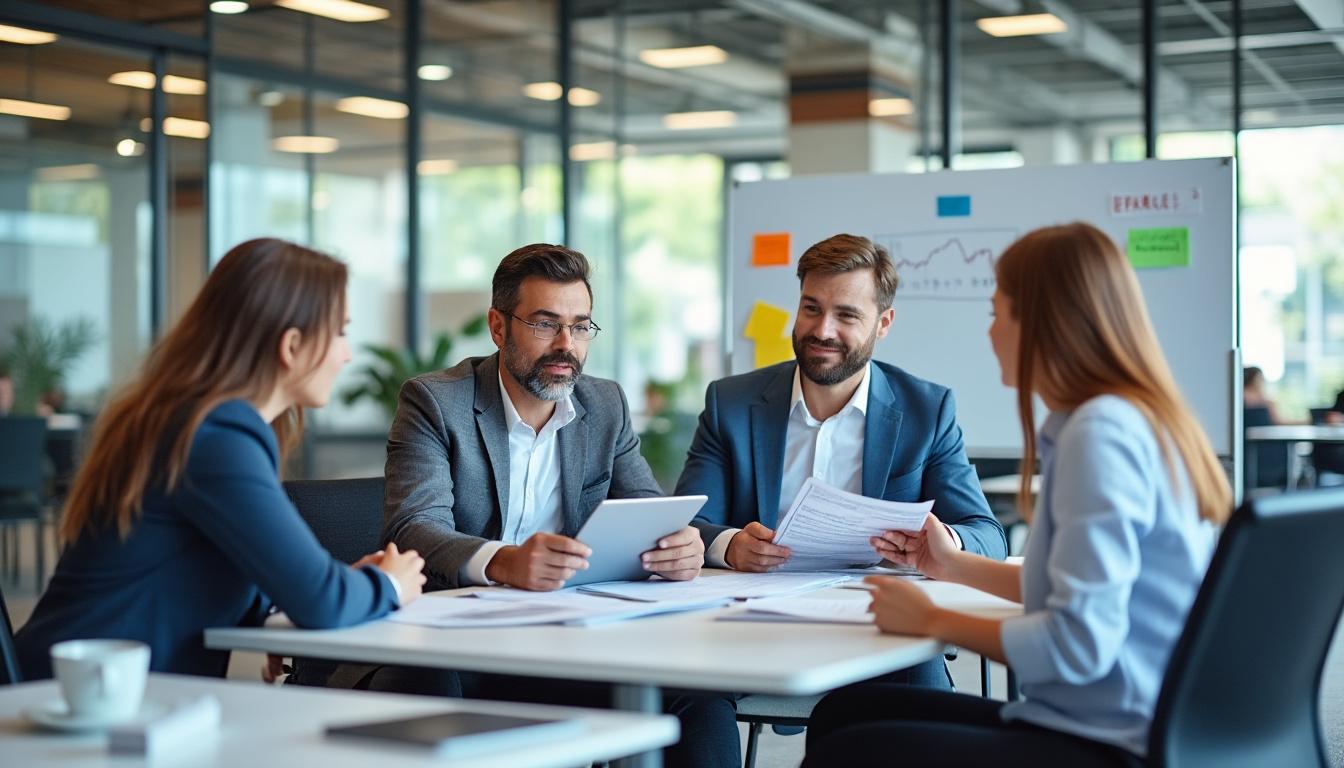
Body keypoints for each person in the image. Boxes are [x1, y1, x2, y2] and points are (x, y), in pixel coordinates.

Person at [802, 222, 1231, 766]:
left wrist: (933, 620)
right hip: (1139, 719)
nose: (991, 333)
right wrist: (953, 566)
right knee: (846, 713)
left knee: (849, 749)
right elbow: (1071, 588)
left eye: (996, 313)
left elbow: (1076, 646)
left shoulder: (1099, 435)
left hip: (1111, 741)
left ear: (1044, 324)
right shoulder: (1132, 418)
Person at [373, 243, 733, 768]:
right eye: (545, 324)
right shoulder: (436, 401)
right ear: (498, 328)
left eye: (580, 326)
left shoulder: (604, 404)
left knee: (697, 698)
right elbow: (414, 527)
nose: (567, 345)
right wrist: (504, 561)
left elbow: (647, 509)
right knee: (422, 687)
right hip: (459, 644)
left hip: (573, 641)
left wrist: (677, 547)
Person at [14, 238, 426, 681]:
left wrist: (328, 588)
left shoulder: (191, 420)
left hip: (95, 684)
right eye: (340, 332)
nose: (347, 354)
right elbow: (321, 603)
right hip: (76, 696)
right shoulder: (218, 436)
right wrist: (389, 584)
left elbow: (200, 573)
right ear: (291, 346)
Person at [675, 232, 1006, 688]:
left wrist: (943, 541)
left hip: (881, 624)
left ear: (883, 323)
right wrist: (730, 546)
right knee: (691, 694)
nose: (822, 330)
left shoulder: (926, 410)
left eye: (846, 315)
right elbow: (688, 523)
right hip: (753, 622)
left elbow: (987, 535)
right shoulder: (730, 403)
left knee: (921, 698)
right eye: (811, 308)